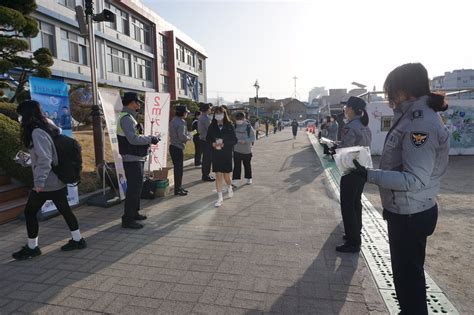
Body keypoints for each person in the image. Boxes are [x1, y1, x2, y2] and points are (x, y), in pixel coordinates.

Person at [351, 63, 449, 314]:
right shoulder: (411, 117)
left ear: (406, 89)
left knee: (409, 282)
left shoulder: (420, 124)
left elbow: (414, 179)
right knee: (407, 279)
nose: (390, 98)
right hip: (408, 210)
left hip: (410, 214)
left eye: (392, 91)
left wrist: (369, 175)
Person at [12, 100, 86, 260]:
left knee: (30, 212)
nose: (19, 118)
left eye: (20, 114)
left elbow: (45, 159)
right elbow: (45, 157)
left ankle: (32, 248)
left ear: (26, 115)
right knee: (65, 210)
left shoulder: (37, 132)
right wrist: (27, 161)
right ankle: (78, 239)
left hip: (47, 184)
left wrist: (39, 183)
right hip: (55, 180)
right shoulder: (47, 126)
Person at [335, 96, 372, 253]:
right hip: (362, 168)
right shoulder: (364, 126)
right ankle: (355, 232)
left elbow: (347, 148)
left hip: (351, 169)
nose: (345, 111)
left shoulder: (350, 127)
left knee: (347, 205)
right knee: (356, 202)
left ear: (350, 109)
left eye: (346, 108)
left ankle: (353, 242)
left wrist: (334, 147)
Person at [117, 92, 159, 229]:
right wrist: (150, 139)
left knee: (137, 188)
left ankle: (134, 213)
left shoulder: (129, 117)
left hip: (135, 157)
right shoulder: (127, 118)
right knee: (133, 189)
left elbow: (135, 136)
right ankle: (127, 220)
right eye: (138, 102)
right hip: (132, 158)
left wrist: (147, 137)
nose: (139, 104)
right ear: (132, 102)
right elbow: (133, 139)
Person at [206, 106, 237, 207]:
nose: (218, 115)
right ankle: (220, 198)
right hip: (216, 154)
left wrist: (225, 143)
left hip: (227, 154)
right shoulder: (212, 126)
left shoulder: (229, 125)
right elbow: (208, 139)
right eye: (217, 113)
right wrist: (213, 144)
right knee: (218, 176)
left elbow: (234, 140)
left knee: (226, 176)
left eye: (220, 113)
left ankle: (229, 187)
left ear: (224, 114)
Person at [169, 105, 191, 196]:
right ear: (182, 113)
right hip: (178, 147)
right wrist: (188, 138)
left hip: (173, 146)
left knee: (177, 169)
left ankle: (179, 187)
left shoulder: (173, 120)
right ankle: (177, 189)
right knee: (179, 170)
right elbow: (182, 137)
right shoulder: (181, 122)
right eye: (186, 112)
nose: (187, 114)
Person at [232, 112, 255, 186]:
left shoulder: (248, 127)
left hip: (246, 150)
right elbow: (231, 137)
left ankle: (249, 178)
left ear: (244, 118)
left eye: (240, 119)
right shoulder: (234, 126)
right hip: (237, 150)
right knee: (236, 166)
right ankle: (235, 181)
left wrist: (245, 141)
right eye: (237, 119)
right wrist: (236, 140)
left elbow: (253, 138)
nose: (239, 120)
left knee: (247, 165)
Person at [198, 103, 215, 182]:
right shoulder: (205, 118)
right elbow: (210, 129)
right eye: (210, 109)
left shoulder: (201, 117)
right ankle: (206, 175)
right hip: (206, 140)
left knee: (206, 158)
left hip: (203, 139)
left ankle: (205, 174)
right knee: (207, 159)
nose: (210, 110)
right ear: (207, 109)